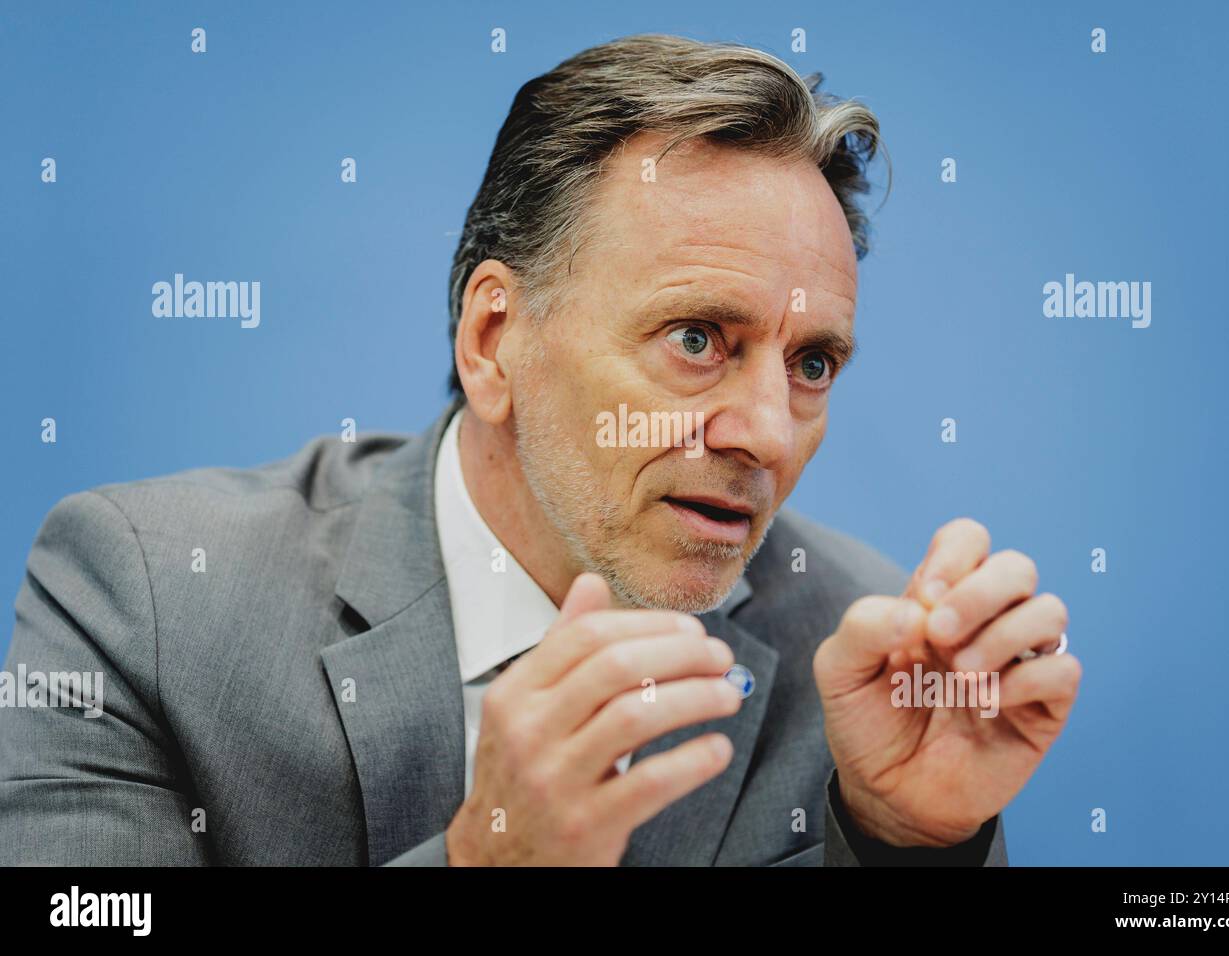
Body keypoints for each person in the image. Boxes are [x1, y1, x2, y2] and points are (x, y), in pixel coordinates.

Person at [0, 34, 1079, 866]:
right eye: (698, 338)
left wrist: (900, 842)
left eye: (811, 363)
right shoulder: (151, 598)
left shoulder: (862, 657)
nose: (764, 431)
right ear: (493, 341)